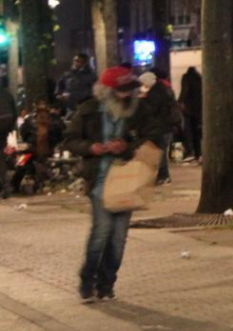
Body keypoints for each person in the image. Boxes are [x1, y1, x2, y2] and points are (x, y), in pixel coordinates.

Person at [65, 67, 173, 301]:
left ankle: (107, 283)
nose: (126, 95)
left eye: (129, 90)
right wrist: (91, 148)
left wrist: (127, 146)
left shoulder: (139, 110)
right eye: (120, 91)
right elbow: (71, 140)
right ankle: (88, 281)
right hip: (99, 181)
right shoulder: (87, 111)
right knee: (101, 232)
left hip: (128, 181)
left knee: (118, 237)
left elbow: (154, 136)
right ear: (106, 91)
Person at [138, 71, 178, 184]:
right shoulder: (162, 90)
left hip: (161, 128)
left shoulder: (155, 93)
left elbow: (151, 110)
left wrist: (143, 99)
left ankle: (163, 175)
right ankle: (162, 175)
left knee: (160, 153)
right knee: (160, 152)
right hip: (164, 127)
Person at [177, 65, 203, 162]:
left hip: (189, 109)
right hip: (198, 109)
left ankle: (190, 152)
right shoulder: (199, 79)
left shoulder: (186, 77)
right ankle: (198, 153)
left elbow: (185, 90)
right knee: (197, 132)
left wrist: (180, 101)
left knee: (188, 131)